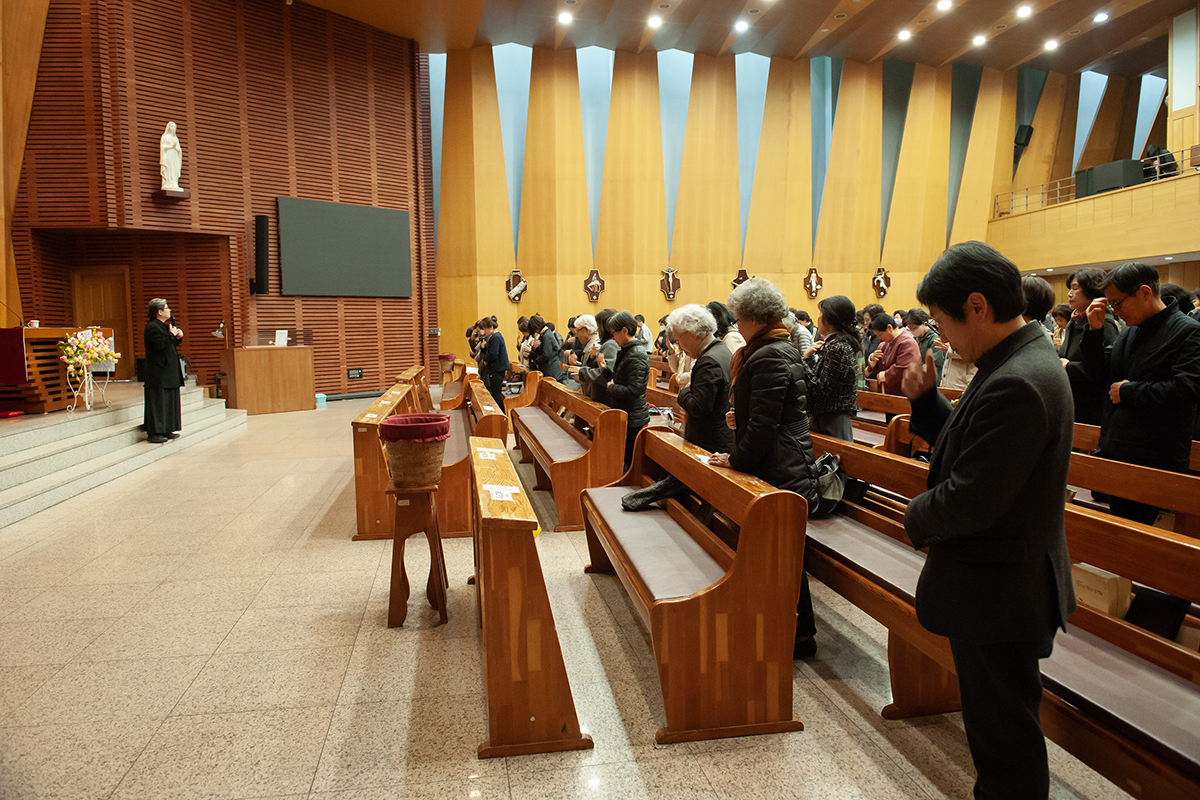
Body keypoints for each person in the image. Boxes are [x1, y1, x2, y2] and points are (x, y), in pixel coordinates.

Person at [900, 241, 1076, 800]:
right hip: (999, 582)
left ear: (977, 306)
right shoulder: (1014, 360)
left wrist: (909, 514)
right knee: (998, 731)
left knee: (1005, 744)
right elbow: (979, 446)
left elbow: (974, 496)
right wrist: (927, 404)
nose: (942, 335)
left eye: (942, 320)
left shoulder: (1018, 378)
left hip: (1000, 588)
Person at [708, 278, 819, 659]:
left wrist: (736, 458)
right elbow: (768, 413)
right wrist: (741, 417)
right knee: (775, 549)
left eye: (739, 318)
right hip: (780, 457)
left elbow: (766, 425)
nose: (736, 325)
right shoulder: (771, 349)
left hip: (782, 465)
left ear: (755, 318)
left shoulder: (770, 354)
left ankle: (799, 635)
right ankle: (778, 623)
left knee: (781, 550)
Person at [1081, 262, 1200, 524]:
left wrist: (1130, 391)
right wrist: (1095, 331)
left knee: (1147, 539)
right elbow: (1098, 373)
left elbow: (1187, 389)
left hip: (1156, 458)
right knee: (1119, 532)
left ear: (1145, 292)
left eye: (1118, 303)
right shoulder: (1130, 330)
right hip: (1118, 450)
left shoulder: (1188, 331)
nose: (1116, 311)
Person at [668, 305, 735, 454]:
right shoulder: (721, 350)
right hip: (719, 438)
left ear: (692, 333)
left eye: (678, 340)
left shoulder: (709, 361)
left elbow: (698, 407)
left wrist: (684, 392)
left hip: (711, 445)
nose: (679, 347)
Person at [1058, 267, 1117, 425]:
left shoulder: (1105, 323)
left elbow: (1103, 369)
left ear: (1092, 290)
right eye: (1070, 288)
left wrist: (1068, 367)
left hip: (1091, 407)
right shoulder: (1075, 320)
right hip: (1071, 400)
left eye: (1075, 288)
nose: (1069, 294)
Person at [802, 295, 860, 442]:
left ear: (830, 320)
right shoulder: (835, 343)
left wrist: (801, 363)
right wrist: (808, 359)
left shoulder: (839, 347)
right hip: (825, 416)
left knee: (836, 455)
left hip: (832, 418)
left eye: (820, 313)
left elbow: (821, 391)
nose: (818, 318)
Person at [603, 311, 650, 468]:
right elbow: (620, 379)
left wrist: (612, 388)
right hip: (625, 413)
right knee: (621, 458)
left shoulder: (637, 354)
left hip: (633, 417)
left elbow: (634, 391)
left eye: (613, 333)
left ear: (624, 330)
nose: (613, 337)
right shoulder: (627, 350)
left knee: (629, 462)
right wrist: (605, 370)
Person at [143, 298, 185, 443]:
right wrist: (172, 335)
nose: (169, 310)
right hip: (159, 372)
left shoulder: (163, 326)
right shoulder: (152, 327)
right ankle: (155, 433)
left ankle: (167, 429)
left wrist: (177, 337)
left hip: (168, 371)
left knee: (169, 401)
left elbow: (168, 343)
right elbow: (159, 344)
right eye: (167, 308)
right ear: (159, 312)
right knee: (159, 402)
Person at [865, 312, 920, 396]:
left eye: (880, 334)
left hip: (904, 394)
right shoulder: (883, 345)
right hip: (886, 393)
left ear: (889, 328)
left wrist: (885, 375)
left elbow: (905, 368)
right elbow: (877, 368)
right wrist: (872, 361)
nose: (879, 338)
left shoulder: (907, 343)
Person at [568, 313, 611, 404]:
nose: (576, 335)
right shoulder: (590, 344)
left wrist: (581, 371)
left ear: (586, 330)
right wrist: (577, 364)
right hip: (589, 393)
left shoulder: (595, 346)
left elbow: (598, 372)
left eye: (578, 331)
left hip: (595, 395)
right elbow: (589, 367)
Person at [906, 307, 945, 383]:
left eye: (914, 328)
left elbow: (935, 363)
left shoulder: (935, 339)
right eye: (910, 329)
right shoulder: (916, 339)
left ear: (923, 323)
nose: (912, 331)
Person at [477, 317, 508, 407]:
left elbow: (494, 354)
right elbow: (490, 351)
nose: (484, 331)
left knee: (496, 395)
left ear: (490, 327)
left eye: (485, 329)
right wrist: (483, 348)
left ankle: (500, 413)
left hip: (497, 369)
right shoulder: (494, 337)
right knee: (495, 393)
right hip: (496, 369)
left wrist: (485, 360)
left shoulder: (496, 338)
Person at [526, 315, 567, 383]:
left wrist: (535, 362)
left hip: (551, 371)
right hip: (550, 370)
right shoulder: (545, 334)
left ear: (536, 329)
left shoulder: (546, 336)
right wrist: (535, 348)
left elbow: (546, 355)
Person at [159, 121, 182, 191]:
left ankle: (174, 183)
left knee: (174, 168)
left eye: (174, 127)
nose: (173, 128)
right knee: (169, 168)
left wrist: (176, 148)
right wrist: (171, 147)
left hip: (175, 155)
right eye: (172, 127)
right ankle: (168, 183)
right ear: (168, 127)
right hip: (168, 154)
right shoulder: (165, 137)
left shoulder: (175, 138)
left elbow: (179, 149)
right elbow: (162, 147)